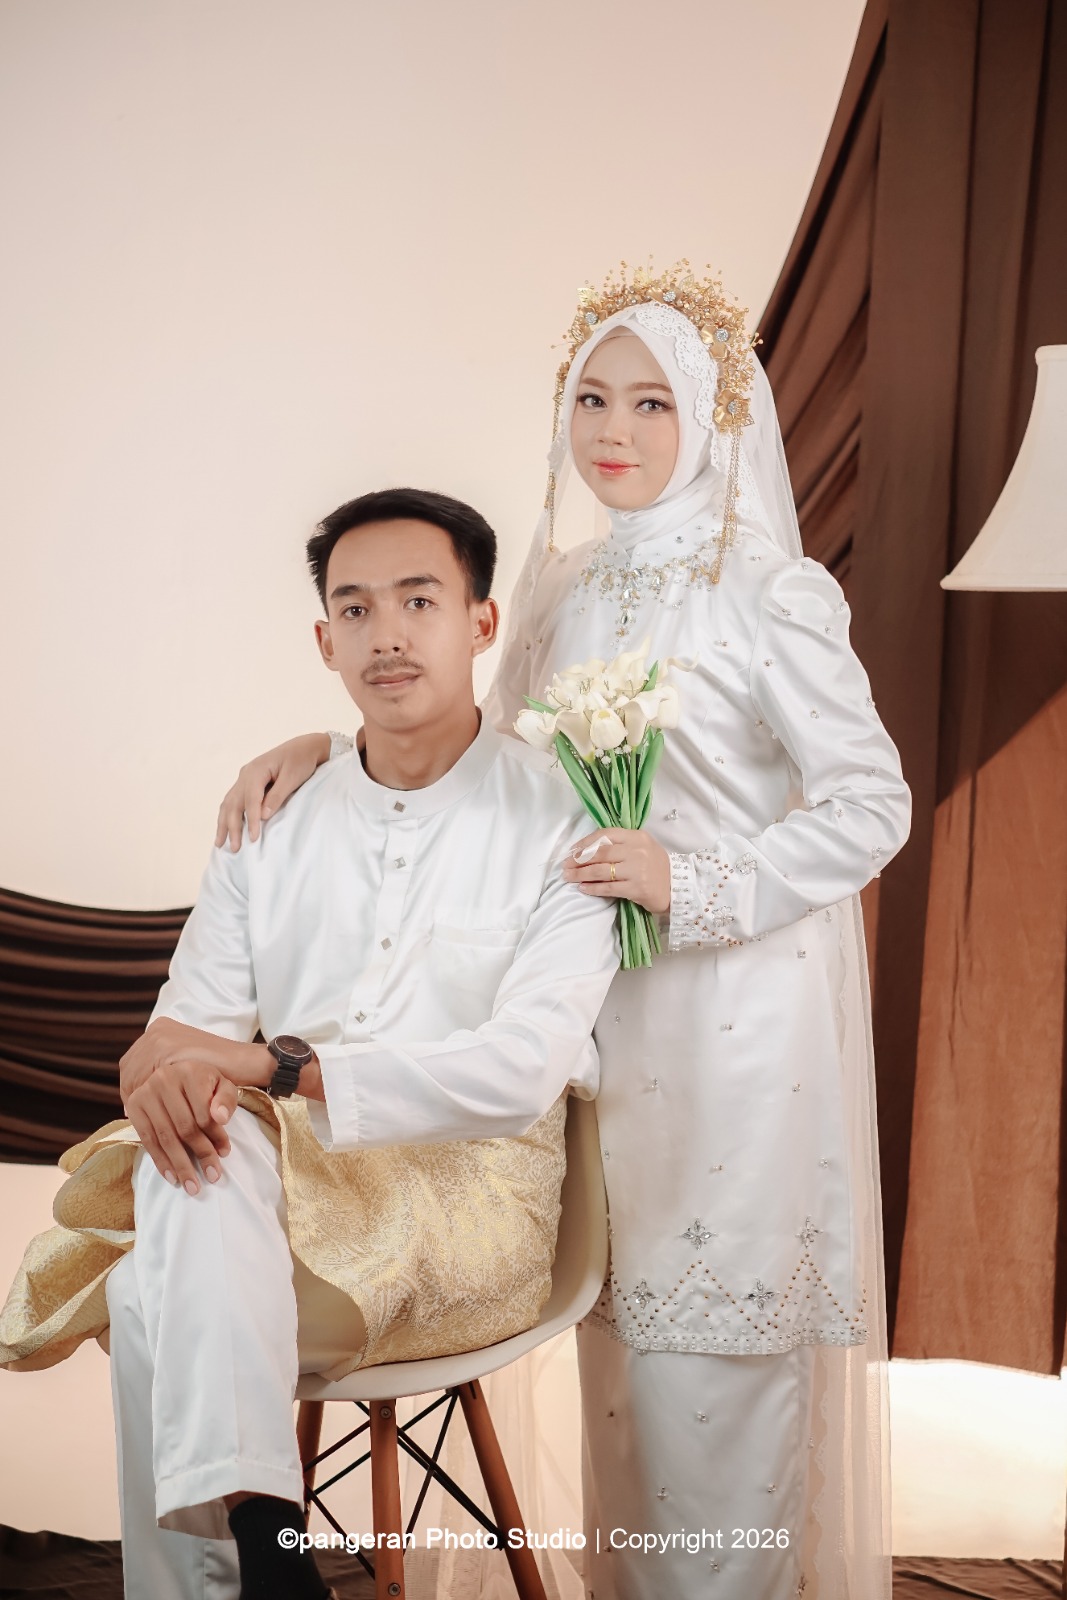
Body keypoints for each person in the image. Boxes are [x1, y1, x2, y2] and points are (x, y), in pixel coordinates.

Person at [215, 265, 911, 1600]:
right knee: (625, 1377)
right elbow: (483, 763)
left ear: (711, 415)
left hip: (736, 1026)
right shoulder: (558, 589)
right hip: (590, 1018)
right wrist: (325, 746)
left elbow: (869, 804)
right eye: (590, 398)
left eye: (652, 402)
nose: (614, 430)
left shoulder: (769, 591)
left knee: (716, 1376)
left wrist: (689, 878)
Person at [0, 487, 620, 1600]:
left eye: (419, 601)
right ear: (324, 639)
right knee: (199, 1153)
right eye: (356, 607)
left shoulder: (566, 821)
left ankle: (258, 1561)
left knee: (150, 1296)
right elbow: (182, 1034)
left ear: (481, 622)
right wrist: (177, 1082)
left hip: (471, 1203)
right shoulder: (271, 817)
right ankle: (268, 1548)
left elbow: (520, 1072)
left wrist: (274, 1068)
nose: (387, 634)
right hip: (282, 1195)